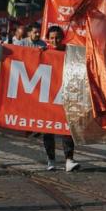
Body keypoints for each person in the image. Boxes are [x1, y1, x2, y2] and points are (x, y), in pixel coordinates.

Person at [42, 26, 81, 171]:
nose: (54, 40)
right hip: (48, 96)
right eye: (51, 38)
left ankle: (69, 159)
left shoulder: (70, 51)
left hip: (66, 95)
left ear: (62, 37)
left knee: (67, 128)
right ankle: (51, 159)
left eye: (57, 37)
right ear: (48, 39)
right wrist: (38, 55)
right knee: (47, 129)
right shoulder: (44, 53)